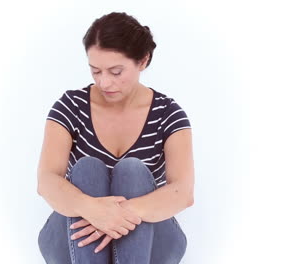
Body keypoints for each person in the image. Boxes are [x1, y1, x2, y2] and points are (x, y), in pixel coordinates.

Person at [36, 11, 195, 264]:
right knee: (88, 168)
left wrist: (119, 214)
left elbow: (182, 192)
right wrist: (90, 209)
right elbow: (46, 181)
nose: (104, 82)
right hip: (74, 242)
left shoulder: (168, 114)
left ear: (143, 61)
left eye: (116, 71)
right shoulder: (70, 106)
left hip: (150, 244)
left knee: (132, 171)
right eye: (95, 71)